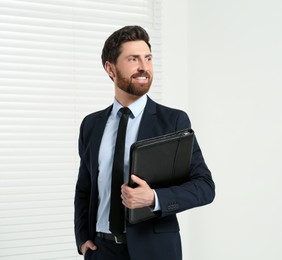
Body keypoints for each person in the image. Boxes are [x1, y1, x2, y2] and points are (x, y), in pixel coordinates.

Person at [74, 25, 215, 260]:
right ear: (110, 69)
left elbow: (205, 187)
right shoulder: (91, 125)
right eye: (133, 59)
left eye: (148, 58)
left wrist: (154, 198)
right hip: (102, 251)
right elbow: (84, 188)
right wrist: (82, 239)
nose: (144, 67)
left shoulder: (173, 121)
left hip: (155, 251)